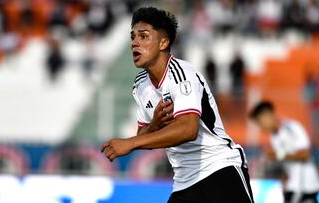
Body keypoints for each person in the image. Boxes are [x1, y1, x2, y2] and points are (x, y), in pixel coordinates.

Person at [101, 7, 254, 203]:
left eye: (143, 36)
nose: (134, 43)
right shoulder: (140, 85)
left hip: (219, 168)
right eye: (132, 37)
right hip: (184, 181)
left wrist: (129, 142)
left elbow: (188, 129)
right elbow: (144, 137)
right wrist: (154, 125)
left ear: (164, 42)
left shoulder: (182, 73)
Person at [249, 101, 319, 203]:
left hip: (305, 185)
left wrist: (278, 155)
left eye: (260, 122)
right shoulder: (274, 137)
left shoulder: (291, 128)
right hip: (293, 186)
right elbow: (288, 164)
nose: (261, 127)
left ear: (268, 115)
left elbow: (305, 154)